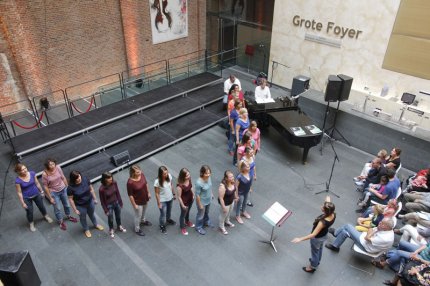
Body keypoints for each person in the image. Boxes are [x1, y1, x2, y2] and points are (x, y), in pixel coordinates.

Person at [292, 196, 336, 273]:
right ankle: (317, 261)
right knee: (320, 249)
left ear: (325, 211)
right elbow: (328, 204)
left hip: (317, 238)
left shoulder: (322, 222)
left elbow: (313, 234)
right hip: (324, 235)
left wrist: (300, 239)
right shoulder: (333, 214)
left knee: (315, 252)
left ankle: (312, 267)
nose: (321, 206)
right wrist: (328, 200)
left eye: (323, 207)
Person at [15, 163, 53, 232]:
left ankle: (46, 216)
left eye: (25, 168)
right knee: (29, 211)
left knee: (41, 206)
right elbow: (19, 192)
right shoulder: (18, 181)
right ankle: (31, 224)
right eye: (22, 170)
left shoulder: (32, 173)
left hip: (36, 194)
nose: (24, 170)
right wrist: (22, 203)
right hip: (26, 197)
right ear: (19, 171)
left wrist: (41, 191)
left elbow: (37, 183)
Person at [41, 158, 78, 230]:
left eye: (53, 164)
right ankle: (61, 221)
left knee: (67, 205)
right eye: (50, 165)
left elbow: (63, 177)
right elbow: (45, 186)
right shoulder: (45, 174)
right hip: (54, 192)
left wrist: (67, 187)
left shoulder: (58, 167)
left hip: (63, 189)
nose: (52, 166)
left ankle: (68, 216)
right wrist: (50, 197)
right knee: (57, 208)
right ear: (47, 166)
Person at [325, 218, 394, 253]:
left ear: (386, 227)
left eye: (382, 223)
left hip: (366, 247)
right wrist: (372, 231)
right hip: (368, 241)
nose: (379, 222)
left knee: (347, 226)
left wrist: (371, 231)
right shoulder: (386, 229)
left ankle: (336, 233)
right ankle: (335, 246)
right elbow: (372, 230)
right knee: (344, 232)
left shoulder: (385, 238)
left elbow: (367, 237)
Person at [67, 171, 104, 238]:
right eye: (76, 178)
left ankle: (96, 224)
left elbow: (91, 189)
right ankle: (86, 229)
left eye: (79, 176)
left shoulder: (85, 179)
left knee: (91, 214)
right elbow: (70, 199)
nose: (78, 178)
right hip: (80, 206)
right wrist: (75, 209)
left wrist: (95, 199)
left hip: (90, 201)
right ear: (73, 179)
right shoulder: (70, 188)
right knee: (83, 218)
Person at [99, 172, 126, 238]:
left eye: (111, 177)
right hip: (109, 206)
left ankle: (119, 226)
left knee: (118, 216)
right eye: (108, 178)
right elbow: (102, 201)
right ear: (105, 179)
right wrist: (106, 210)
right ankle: (111, 229)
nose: (111, 179)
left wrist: (120, 202)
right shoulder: (101, 189)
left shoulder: (114, 183)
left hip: (116, 203)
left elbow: (117, 193)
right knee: (110, 219)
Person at [127, 165, 152, 237]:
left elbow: (146, 184)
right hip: (138, 202)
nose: (140, 172)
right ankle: (137, 229)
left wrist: (148, 193)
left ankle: (143, 220)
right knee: (138, 215)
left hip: (145, 198)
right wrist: (134, 205)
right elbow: (130, 195)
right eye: (137, 172)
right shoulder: (130, 182)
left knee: (144, 212)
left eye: (140, 170)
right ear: (133, 173)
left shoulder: (142, 175)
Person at [154, 166, 176, 234]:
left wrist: (174, 194)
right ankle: (162, 225)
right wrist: (159, 203)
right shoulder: (157, 182)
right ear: (160, 174)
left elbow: (171, 185)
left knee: (169, 211)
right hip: (162, 200)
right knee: (163, 214)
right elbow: (157, 193)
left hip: (170, 198)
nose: (166, 174)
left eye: (166, 173)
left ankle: (168, 219)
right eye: (164, 174)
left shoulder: (169, 176)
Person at [218, 170, 238, 235]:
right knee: (223, 215)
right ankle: (221, 226)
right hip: (225, 203)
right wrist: (223, 207)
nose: (232, 178)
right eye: (231, 177)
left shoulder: (233, 182)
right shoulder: (222, 186)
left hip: (231, 201)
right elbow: (221, 198)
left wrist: (235, 197)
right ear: (226, 178)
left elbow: (234, 190)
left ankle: (227, 221)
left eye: (233, 176)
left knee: (229, 213)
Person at [195, 165, 213, 235]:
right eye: (206, 173)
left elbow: (210, 186)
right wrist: (200, 205)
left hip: (208, 200)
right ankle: (198, 227)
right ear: (202, 173)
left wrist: (211, 194)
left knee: (206, 212)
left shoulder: (209, 178)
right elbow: (197, 195)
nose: (208, 175)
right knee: (200, 215)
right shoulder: (199, 183)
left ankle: (206, 221)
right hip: (202, 202)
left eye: (209, 173)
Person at [176, 168, 195, 236]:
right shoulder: (180, 185)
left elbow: (191, 186)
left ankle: (187, 221)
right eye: (187, 175)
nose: (188, 176)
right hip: (184, 202)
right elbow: (179, 197)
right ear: (183, 176)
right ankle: (182, 227)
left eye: (189, 174)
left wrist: (193, 194)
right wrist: (183, 205)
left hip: (190, 199)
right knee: (183, 214)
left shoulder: (189, 179)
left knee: (188, 211)